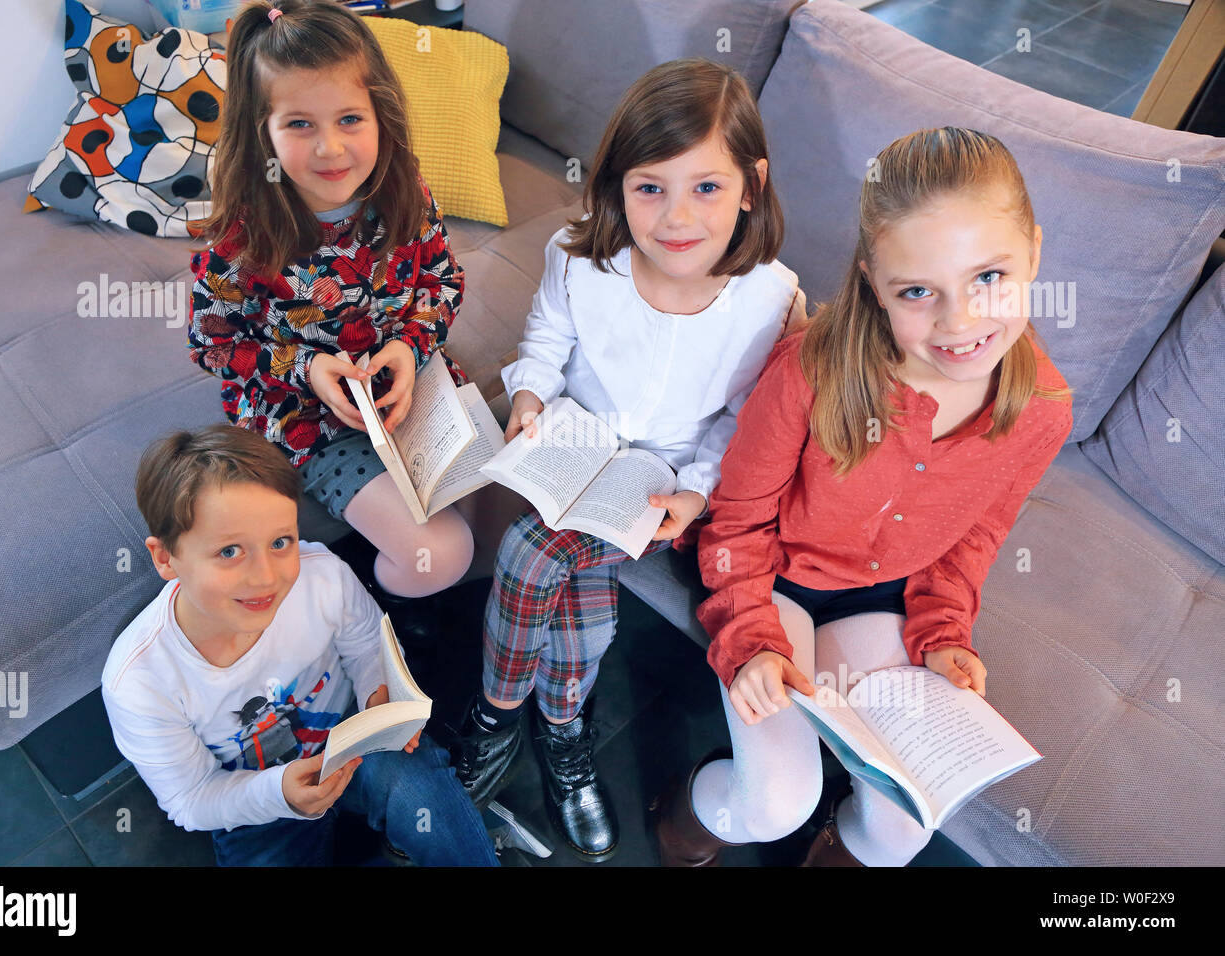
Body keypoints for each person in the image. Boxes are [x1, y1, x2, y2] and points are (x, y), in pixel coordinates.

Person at [652, 127, 1074, 867]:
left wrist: (945, 634)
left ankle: (833, 850)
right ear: (875, 282)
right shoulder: (810, 372)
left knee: (904, 826)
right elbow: (737, 522)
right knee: (775, 801)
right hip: (773, 578)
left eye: (990, 278)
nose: (961, 322)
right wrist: (751, 637)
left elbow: (974, 540)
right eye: (918, 291)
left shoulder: (1042, 407)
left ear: (1034, 253)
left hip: (883, 600)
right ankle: (683, 823)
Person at [446, 58, 806, 861]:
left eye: (706, 188)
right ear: (616, 188)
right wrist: (531, 397)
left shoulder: (770, 298)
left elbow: (745, 421)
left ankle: (496, 717)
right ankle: (563, 732)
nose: (677, 217)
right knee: (583, 597)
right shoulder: (579, 260)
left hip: (664, 481)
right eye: (650, 188)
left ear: (752, 185)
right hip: (573, 445)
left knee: (528, 554)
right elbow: (544, 341)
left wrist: (698, 490)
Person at [187, 0, 473, 642]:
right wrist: (307, 367)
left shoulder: (406, 189)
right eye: (299, 124)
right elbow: (211, 343)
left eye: (350, 118)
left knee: (491, 509)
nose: (331, 147)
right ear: (261, 131)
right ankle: (382, 607)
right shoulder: (241, 232)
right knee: (442, 554)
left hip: (414, 388)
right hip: (311, 419)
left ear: (381, 114)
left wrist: (408, 344)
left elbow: (443, 280)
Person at [102, 424, 498, 866]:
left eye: (279, 542)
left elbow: (369, 645)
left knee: (423, 787)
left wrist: (376, 692)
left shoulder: (321, 576)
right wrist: (280, 794)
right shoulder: (138, 681)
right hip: (255, 799)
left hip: (353, 747)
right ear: (165, 558)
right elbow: (191, 798)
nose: (266, 577)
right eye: (230, 552)